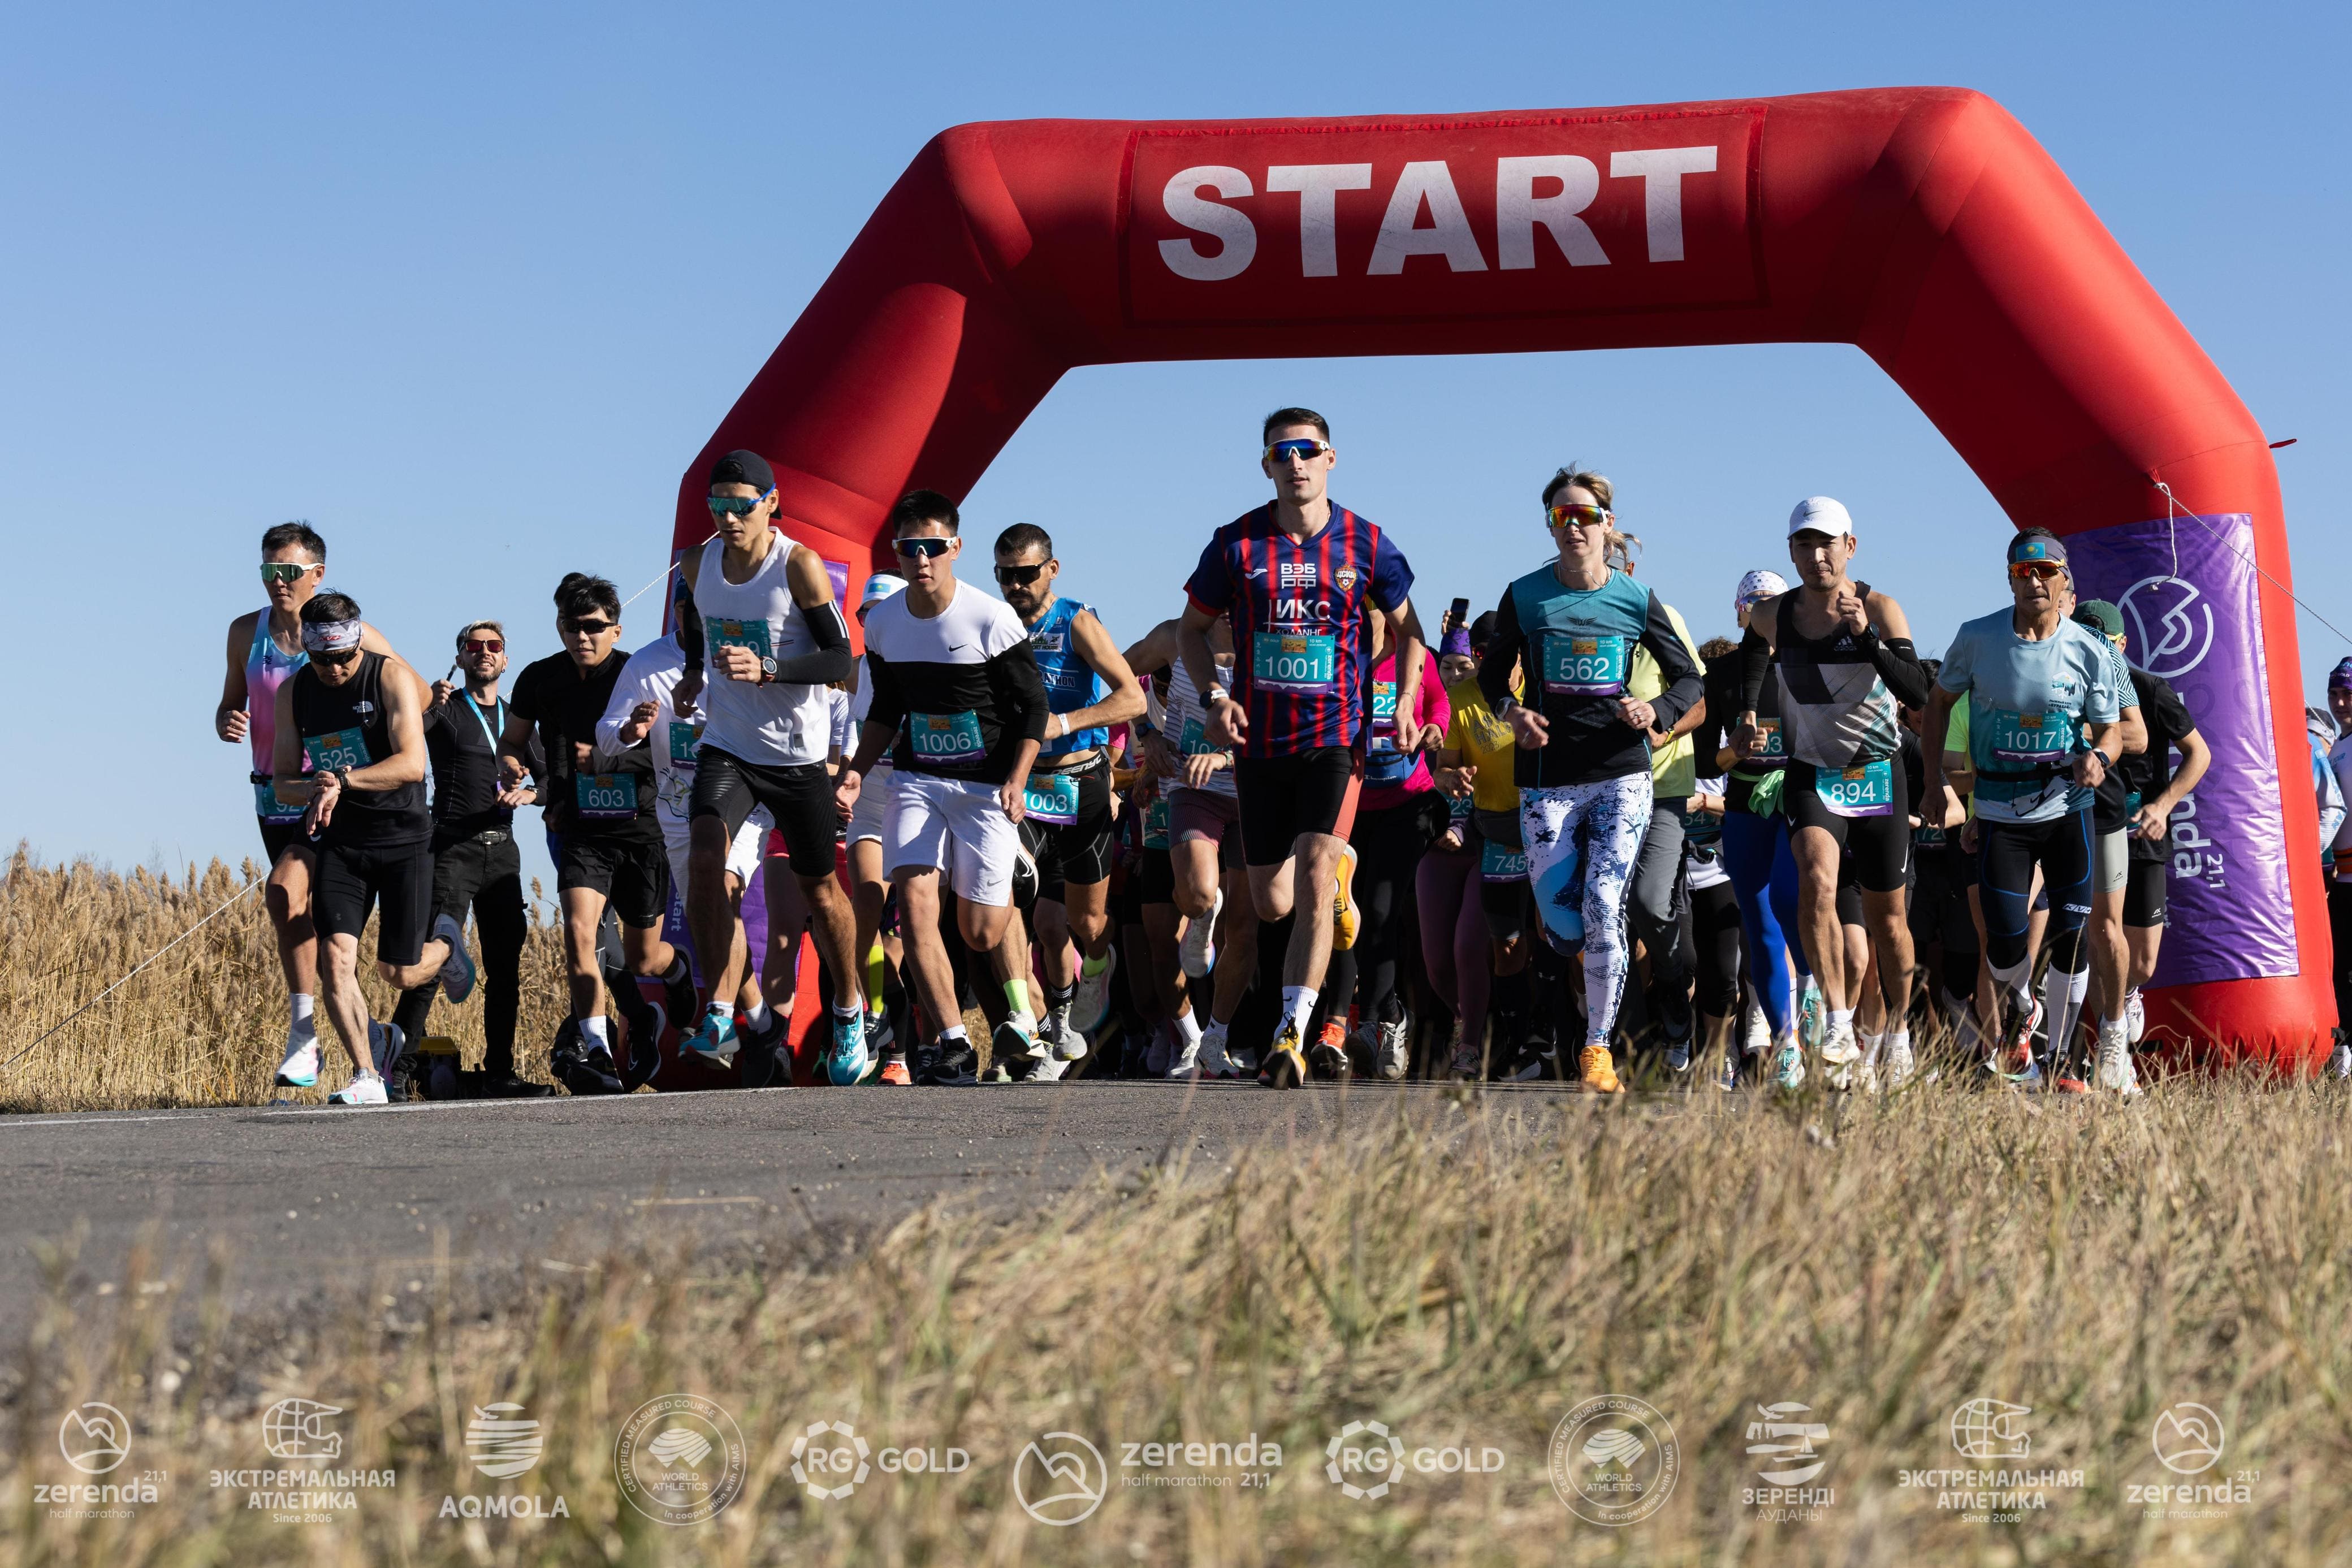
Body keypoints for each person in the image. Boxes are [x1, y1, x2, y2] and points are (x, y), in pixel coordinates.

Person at [1179, 408, 1420, 1088]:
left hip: (1334, 739)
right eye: (1281, 452)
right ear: (1266, 465)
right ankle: (1329, 894)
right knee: (1270, 903)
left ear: (1330, 458)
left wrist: (1402, 699)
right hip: (1260, 745)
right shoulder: (1235, 544)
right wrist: (1213, 698)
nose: (1296, 462)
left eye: (1307, 450)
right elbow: (1190, 632)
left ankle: (1292, 1032)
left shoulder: (1366, 542)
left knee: (1315, 870)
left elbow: (1410, 631)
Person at [1478, 465, 1704, 1094]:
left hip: (1619, 775)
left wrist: (1654, 712)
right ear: (1550, 526)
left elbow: (1688, 679)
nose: (1573, 526)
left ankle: (1596, 1049)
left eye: (1584, 515)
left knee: (1607, 902)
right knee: (1561, 923)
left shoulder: (1635, 598)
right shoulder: (1525, 595)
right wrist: (1512, 712)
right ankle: (1583, 968)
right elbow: (1492, 677)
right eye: (1560, 516)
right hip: (1547, 778)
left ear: (1606, 523)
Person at [835, 490, 1051, 1086]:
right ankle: (953, 1041)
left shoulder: (989, 617)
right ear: (898, 552)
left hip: (985, 788)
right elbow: (884, 706)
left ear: (954, 547)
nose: (922, 558)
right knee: (913, 903)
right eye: (910, 548)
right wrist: (857, 766)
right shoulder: (881, 623)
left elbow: (1032, 706)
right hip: (917, 780)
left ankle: (1015, 868)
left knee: (979, 929)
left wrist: (1016, 777)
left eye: (933, 546)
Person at [665, 451, 864, 1084]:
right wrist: (696, 672)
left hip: (796, 755)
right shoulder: (697, 563)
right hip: (727, 744)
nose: (728, 518)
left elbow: (840, 659)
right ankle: (719, 1005)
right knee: (704, 857)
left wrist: (770, 668)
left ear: (771, 503)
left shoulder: (798, 566)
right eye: (717, 506)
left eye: (741, 506)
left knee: (818, 890)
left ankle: (849, 1009)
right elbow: (696, 620)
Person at [1733, 497, 1929, 1089]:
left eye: (1827, 544)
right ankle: (1838, 1022)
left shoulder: (1879, 606)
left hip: (1875, 769)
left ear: (1850, 546)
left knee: (1887, 920)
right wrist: (1746, 709)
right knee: (1815, 876)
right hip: (1812, 769)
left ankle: (1895, 1033)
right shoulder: (1773, 613)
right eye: (1802, 545)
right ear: (1790, 551)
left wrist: (1865, 636)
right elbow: (1750, 651)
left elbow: (1916, 690)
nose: (1815, 556)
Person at [1922, 530, 2125, 1089]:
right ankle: (2021, 1010)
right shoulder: (1976, 637)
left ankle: (2060, 1058)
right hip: (1998, 810)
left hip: (2066, 806)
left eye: (2044, 570)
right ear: (2008, 577)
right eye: (2021, 571)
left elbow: (2111, 733)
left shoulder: (2090, 649)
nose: (2033, 580)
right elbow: (1937, 702)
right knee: (2006, 940)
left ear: (2063, 579)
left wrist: (2099, 761)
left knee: (2071, 931)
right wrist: (1932, 780)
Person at [216, 522, 405, 1082]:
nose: (279, 582)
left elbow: (407, 688)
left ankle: (303, 1035)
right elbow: (231, 701)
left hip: (332, 793)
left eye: (290, 572)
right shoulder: (242, 632)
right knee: (310, 922)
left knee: (282, 888)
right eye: (269, 572)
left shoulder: (353, 633)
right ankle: (375, 1039)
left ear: (317, 574)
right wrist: (227, 720)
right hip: (273, 791)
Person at [270, 594, 472, 1104]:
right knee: (336, 958)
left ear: (359, 643)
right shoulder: (295, 693)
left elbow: (411, 765)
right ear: (309, 654)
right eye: (324, 660)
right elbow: (283, 783)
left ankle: (447, 945)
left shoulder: (388, 678)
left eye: (345, 657)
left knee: (397, 973)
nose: (337, 669)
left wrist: (342, 777)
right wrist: (314, 786)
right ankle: (367, 1075)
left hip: (404, 839)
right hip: (344, 843)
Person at [503, 573, 694, 1094]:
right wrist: (511, 767)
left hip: (642, 827)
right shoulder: (540, 678)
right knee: (580, 933)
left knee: (640, 958)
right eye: (571, 626)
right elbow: (512, 740)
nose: (582, 637)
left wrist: (615, 752)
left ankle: (674, 973)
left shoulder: (640, 672)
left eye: (593, 627)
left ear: (616, 629)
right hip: (581, 828)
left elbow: (676, 749)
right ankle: (597, 1047)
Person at [594, 580, 776, 1078]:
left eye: (706, 609)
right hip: (678, 814)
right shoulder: (646, 664)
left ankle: (720, 1019)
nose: (695, 619)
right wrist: (630, 729)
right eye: (687, 609)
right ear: (674, 610)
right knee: (708, 918)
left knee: (721, 893)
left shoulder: (746, 654)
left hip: (743, 803)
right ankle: (762, 1023)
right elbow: (606, 736)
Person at [993, 523, 1148, 1058]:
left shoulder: (1077, 621)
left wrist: (1064, 723)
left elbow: (1133, 700)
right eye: (1005, 576)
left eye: (1026, 575)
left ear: (1051, 570)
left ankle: (1097, 965)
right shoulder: (991, 625)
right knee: (1011, 892)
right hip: (1022, 785)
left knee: (1081, 921)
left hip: (1080, 782)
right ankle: (1026, 1012)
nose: (1015, 586)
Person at [388, 620, 549, 1097]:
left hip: (502, 851)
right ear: (459, 658)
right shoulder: (448, 709)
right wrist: (428, 704)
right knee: (431, 962)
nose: (484, 652)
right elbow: (406, 742)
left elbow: (553, 782)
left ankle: (500, 1071)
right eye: (473, 646)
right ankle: (396, 1071)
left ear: (505, 659)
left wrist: (531, 793)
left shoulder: (517, 721)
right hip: (451, 847)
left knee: (505, 967)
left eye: (493, 646)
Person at [1124, 618, 1256, 1078]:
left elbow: (1289, 724)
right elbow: (1120, 673)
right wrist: (1148, 734)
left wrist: (1224, 756)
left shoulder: (1268, 640)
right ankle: (1204, 915)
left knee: (1244, 927)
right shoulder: (1173, 637)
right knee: (1198, 896)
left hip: (1255, 793)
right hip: (1191, 788)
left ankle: (1216, 1037)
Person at [1700, 571, 1809, 1082]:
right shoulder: (1720, 674)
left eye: (1774, 603)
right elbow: (1705, 761)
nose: (1764, 612)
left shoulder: (1804, 662)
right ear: (1740, 612)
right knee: (1761, 923)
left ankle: (1816, 1004)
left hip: (1801, 800)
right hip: (1744, 802)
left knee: (1793, 903)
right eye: (1754, 604)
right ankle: (1785, 1042)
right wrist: (1734, 750)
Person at [2051, 598, 2151, 1090]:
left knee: (2105, 930)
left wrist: (2076, 731)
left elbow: (2137, 734)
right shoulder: (2015, 645)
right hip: (2030, 804)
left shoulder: (2108, 660)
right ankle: (2045, 1051)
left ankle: (2113, 1040)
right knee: (2033, 927)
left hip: (2100, 806)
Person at [1347, 623, 1451, 1078]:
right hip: (1349, 806)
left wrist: (1435, 728)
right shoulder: (1337, 652)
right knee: (1345, 917)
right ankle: (1387, 1014)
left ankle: (1375, 1024)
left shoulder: (1412, 655)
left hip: (1409, 803)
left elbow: (1440, 703)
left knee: (1379, 908)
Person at [1623, 584, 1708, 1072]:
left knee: (1650, 902)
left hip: (1662, 792)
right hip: (1597, 790)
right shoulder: (1573, 621)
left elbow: (1698, 703)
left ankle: (1676, 1005)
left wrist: (1662, 732)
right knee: (1601, 915)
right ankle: (1628, 1043)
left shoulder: (1663, 616)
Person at [843, 572, 914, 1082]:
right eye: (867, 614)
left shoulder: (929, 666)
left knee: (911, 931)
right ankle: (870, 1013)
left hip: (916, 809)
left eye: (884, 613)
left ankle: (903, 1052)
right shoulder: (852, 670)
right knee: (863, 908)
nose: (875, 622)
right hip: (868, 809)